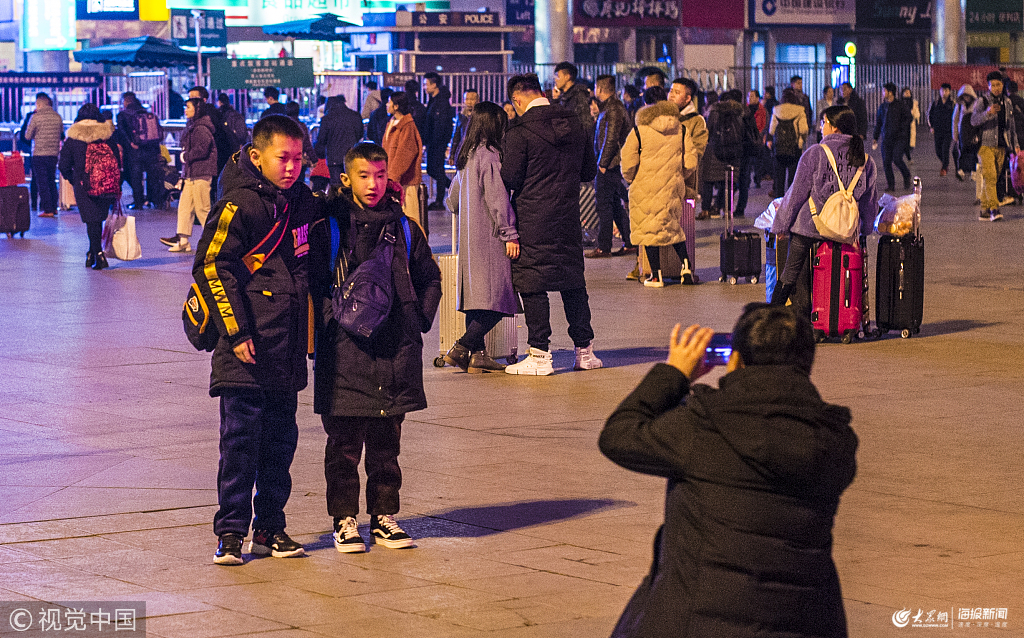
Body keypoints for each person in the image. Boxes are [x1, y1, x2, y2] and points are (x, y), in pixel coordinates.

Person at [599, 304, 858, 638]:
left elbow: (619, 435)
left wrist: (674, 374)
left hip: (695, 622)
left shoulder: (703, 426)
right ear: (807, 363)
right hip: (805, 622)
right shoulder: (834, 440)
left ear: (735, 360)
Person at [192, 115, 317, 566]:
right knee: (240, 446)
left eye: (298, 158)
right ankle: (230, 532)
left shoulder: (303, 202)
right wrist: (237, 331)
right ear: (257, 156)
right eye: (283, 158)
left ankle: (270, 528)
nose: (292, 167)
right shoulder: (237, 204)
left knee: (281, 446)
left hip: (286, 349)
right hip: (243, 351)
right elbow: (211, 266)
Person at [310, 142, 441, 553]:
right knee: (344, 445)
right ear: (346, 179)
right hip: (344, 354)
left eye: (380, 176)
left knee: (387, 445)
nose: (373, 184)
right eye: (364, 176)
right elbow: (313, 284)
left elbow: (430, 278)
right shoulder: (330, 228)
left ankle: (384, 516)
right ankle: (344, 519)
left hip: (395, 352)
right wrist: (331, 322)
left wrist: (418, 319)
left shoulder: (405, 228)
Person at [500, 74, 601, 376]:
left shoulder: (520, 132)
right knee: (573, 282)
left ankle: (540, 355)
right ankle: (585, 352)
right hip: (568, 215)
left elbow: (510, 178)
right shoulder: (576, 124)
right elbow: (588, 171)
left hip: (532, 217)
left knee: (533, 282)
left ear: (517, 100)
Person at [771, 106, 878, 318]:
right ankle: (835, 317)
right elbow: (869, 202)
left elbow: (796, 194)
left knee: (790, 272)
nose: (821, 127)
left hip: (809, 226)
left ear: (835, 127)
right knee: (840, 273)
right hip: (845, 230)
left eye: (824, 122)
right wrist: (864, 230)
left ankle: (772, 316)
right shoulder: (865, 160)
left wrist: (781, 225)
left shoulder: (815, 153)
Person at [442, 102, 520, 373]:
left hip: (469, 240)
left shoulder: (467, 156)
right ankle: (461, 347)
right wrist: (509, 233)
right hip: (490, 238)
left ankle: (478, 356)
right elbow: (498, 198)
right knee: (500, 300)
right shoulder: (490, 156)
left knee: (476, 302)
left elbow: (451, 201)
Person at [620, 89, 694, 287]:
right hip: (673, 187)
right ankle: (686, 267)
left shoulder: (639, 131)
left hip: (645, 187)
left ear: (646, 105)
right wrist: (678, 176)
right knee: (673, 227)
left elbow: (628, 163)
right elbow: (690, 162)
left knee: (648, 230)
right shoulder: (681, 129)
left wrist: (631, 179)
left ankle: (656, 276)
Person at [57, 103, 122, 270]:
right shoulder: (107, 136)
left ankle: (98, 254)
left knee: (92, 221)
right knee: (97, 220)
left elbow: (63, 165)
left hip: (83, 184)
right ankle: (92, 252)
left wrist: (74, 180)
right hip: (106, 184)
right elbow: (117, 161)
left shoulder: (73, 139)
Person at [161, 98, 217, 253]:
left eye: (188, 107)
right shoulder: (194, 126)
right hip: (191, 174)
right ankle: (183, 241)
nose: (185, 110)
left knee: (202, 209)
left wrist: (185, 156)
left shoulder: (201, 128)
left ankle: (214, 241)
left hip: (201, 173)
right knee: (184, 207)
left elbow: (202, 149)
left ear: (197, 109)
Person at [588, 74, 633, 259]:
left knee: (604, 205)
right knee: (614, 205)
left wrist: (602, 163)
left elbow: (611, 138)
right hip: (612, 164)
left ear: (600, 89)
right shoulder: (612, 107)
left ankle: (604, 247)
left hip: (610, 164)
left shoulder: (613, 109)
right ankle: (629, 242)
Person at [971, 70, 1019, 222]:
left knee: (993, 178)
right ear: (988, 86)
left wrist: (1015, 144)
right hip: (985, 145)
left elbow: (1011, 126)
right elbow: (973, 120)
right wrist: (987, 113)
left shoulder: (1007, 102)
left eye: (999, 84)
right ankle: (994, 209)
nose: (996, 88)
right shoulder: (982, 101)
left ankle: (984, 210)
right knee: (991, 177)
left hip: (1001, 146)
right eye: (993, 85)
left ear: (1003, 85)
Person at [382, 91, 425, 232]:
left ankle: (413, 243)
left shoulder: (407, 126)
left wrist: (392, 177)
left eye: (389, 102)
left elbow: (405, 154)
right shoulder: (392, 123)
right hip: (395, 179)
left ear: (396, 106)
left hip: (406, 180)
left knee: (410, 218)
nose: (387, 104)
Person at [700, 89, 748, 219]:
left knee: (709, 180)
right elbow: (742, 132)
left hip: (715, 150)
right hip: (733, 151)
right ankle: (727, 210)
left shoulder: (714, 111)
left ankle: (705, 210)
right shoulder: (738, 112)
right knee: (729, 182)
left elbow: (708, 130)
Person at [116, 91, 165, 210]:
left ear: (126, 101)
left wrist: (130, 143)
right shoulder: (147, 113)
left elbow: (122, 132)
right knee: (152, 176)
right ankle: (156, 200)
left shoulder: (123, 114)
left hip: (135, 151)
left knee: (136, 177)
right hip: (151, 149)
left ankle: (138, 202)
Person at [667, 78, 708, 210]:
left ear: (687, 98)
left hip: (685, 183)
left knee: (683, 220)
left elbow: (697, 152)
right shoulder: (662, 117)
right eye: (671, 91)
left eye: (677, 92)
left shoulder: (696, 121)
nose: (671, 95)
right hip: (662, 183)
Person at [24, 92, 64, 218]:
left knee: (42, 182)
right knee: (51, 180)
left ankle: (48, 209)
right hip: (53, 153)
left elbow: (27, 136)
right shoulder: (57, 117)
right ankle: (54, 207)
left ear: (39, 105)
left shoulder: (36, 117)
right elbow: (61, 133)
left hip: (39, 153)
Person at [315, 95, 365, 187]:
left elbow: (321, 139)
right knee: (352, 184)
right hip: (352, 155)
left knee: (337, 186)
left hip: (333, 158)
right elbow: (360, 134)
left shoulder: (327, 118)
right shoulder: (355, 115)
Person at [768, 87, 809, 197]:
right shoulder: (800, 110)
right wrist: (803, 140)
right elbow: (803, 130)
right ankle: (790, 201)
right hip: (794, 148)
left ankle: (779, 200)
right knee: (793, 177)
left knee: (779, 178)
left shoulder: (776, 110)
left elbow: (771, 130)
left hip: (779, 148)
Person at [872, 83, 912, 193]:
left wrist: (902, 129)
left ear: (890, 92)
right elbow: (879, 123)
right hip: (886, 139)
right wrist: (875, 137)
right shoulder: (883, 107)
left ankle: (906, 175)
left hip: (899, 138)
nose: (882, 93)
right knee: (886, 161)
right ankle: (891, 185)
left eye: (884, 91)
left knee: (897, 158)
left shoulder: (900, 105)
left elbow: (908, 118)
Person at [423, 72, 454, 209]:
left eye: (426, 84)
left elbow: (440, 124)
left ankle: (440, 200)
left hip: (437, 142)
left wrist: (436, 141)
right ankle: (452, 190)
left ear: (434, 85)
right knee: (433, 170)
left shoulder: (441, 102)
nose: (424, 87)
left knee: (437, 170)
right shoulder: (434, 100)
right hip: (433, 142)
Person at [952, 84, 978, 182]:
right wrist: (955, 134)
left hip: (973, 131)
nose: (966, 98)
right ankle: (961, 170)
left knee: (973, 152)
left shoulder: (976, 104)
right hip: (962, 132)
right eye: (964, 96)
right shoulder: (959, 105)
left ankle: (973, 171)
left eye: (968, 96)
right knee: (962, 151)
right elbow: (955, 119)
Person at [285, 101, 316, 184]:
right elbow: (307, 144)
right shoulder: (301, 126)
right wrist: (314, 159)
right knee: (299, 182)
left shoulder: (282, 126)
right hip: (298, 159)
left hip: (285, 158)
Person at [555, 62, 592, 130]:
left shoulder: (579, 95)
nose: (556, 79)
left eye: (558, 76)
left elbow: (585, 123)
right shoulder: (563, 96)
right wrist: (555, 99)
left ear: (567, 77)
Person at [928, 83, 955, 177]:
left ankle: (944, 168)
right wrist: (932, 127)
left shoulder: (952, 104)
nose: (944, 92)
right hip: (937, 131)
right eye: (942, 90)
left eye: (946, 91)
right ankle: (945, 163)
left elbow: (956, 117)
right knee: (938, 151)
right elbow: (930, 115)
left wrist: (955, 129)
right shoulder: (935, 103)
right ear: (939, 91)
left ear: (949, 92)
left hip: (948, 131)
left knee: (945, 149)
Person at [448, 88, 479, 166]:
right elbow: (456, 137)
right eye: (466, 99)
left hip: (476, 153)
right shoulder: (460, 116)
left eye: (472, 99)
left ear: (477, 100)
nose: (469, 102)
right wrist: (452, 155)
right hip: (463, 152)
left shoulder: (480, 116)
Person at [902, 87, 920, 163]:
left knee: (908, 142)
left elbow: (917, 113)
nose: (907, 94)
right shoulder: (900, 103)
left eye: (909, 92)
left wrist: (915, 116)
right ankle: (906, 158)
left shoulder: (913, 103)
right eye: (906, 92)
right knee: (903, 142)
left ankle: (908, 157)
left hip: (910, 125)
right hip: (901, 125)